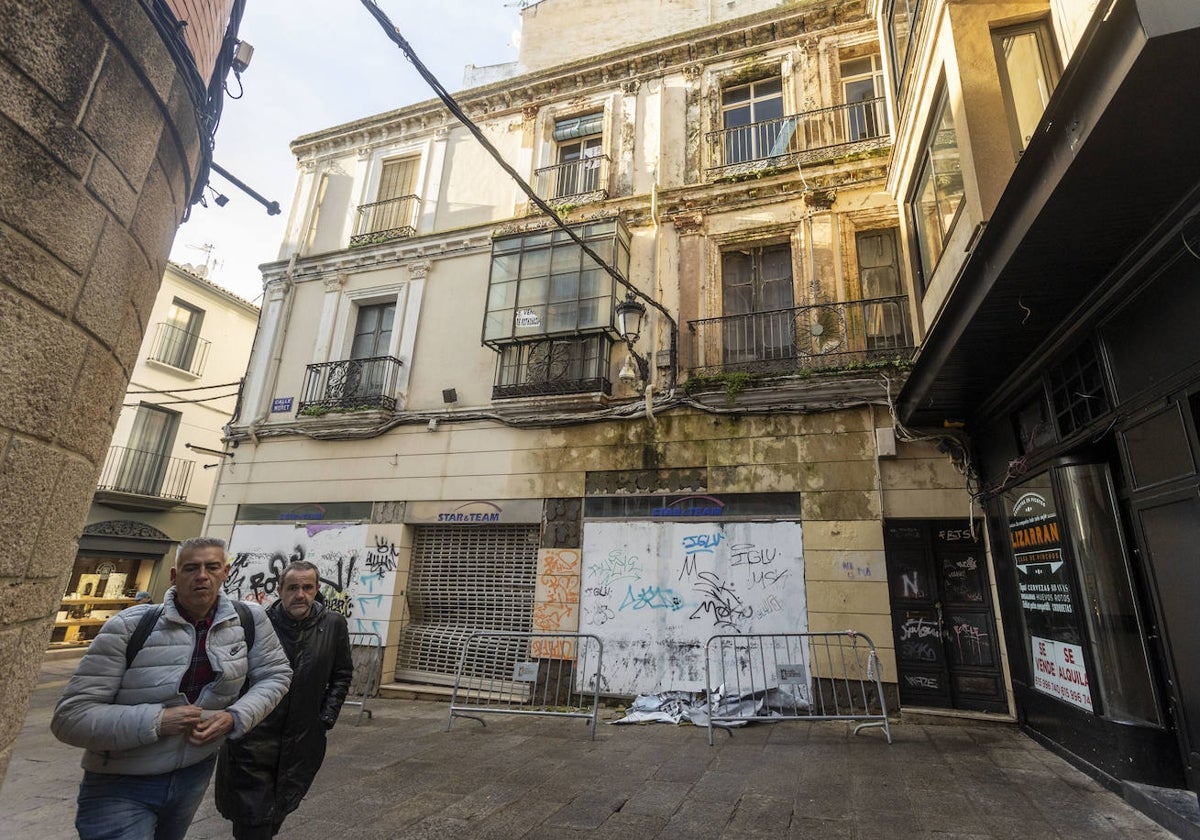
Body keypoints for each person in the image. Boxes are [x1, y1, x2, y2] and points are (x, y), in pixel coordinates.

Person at [52, 537, 293, 840]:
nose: (202, 575)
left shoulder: (250, 619)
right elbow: (70, 718)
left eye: (212, 567)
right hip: (120, 781)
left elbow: (276, 674)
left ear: (226, 572)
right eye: (191, 567)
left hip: (194, 773)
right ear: (174, 575)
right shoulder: (127, 627)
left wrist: (235, 716)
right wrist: (157, 721)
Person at [215, 560, 354, 839]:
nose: (299, 594)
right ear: (279, 590)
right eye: (292, 587)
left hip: (302, 741)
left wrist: (325, 717)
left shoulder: (333, 625)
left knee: (278, 810)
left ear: (316, 590)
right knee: (253, 820)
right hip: (253, 741)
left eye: (307, 587)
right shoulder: (258, 625)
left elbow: (342, 674)